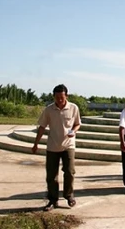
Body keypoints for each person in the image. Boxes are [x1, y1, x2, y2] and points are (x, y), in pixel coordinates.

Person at [31, 84, 81, 212]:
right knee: (51, 175)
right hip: (53, 146)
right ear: (53, 96)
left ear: (66, 96)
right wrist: (36, 144)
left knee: (70, 172)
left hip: (68, 145)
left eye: (62, 97)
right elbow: (42, 127)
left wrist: (73, 131)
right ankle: (53, 200)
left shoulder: (73, 108)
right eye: (57, 97)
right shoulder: (49, 110)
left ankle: (69, 195)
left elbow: (77, 124)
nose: (59, 100)